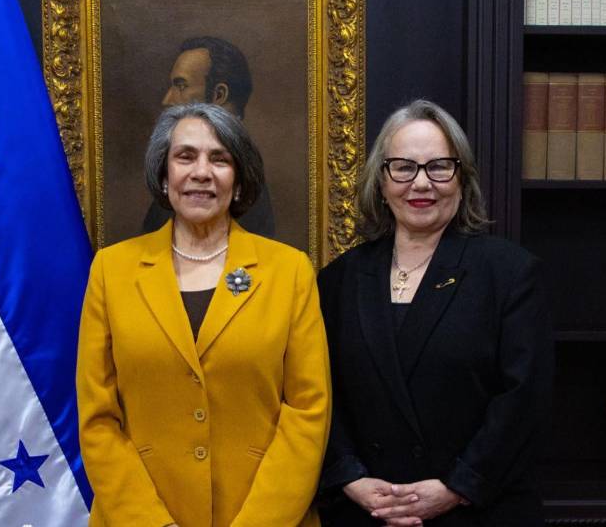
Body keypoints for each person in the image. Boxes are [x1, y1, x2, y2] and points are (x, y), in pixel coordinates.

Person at [78, 102, 331, 526]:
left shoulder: (290, 272)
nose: (201, 172)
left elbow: (308, 413)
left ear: (239, 177)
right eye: (185, 156)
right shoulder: (111, 270)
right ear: (164, 175)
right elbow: (97, 418)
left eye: (220, 158)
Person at [317, 99, 552, 527]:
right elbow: (312, 392)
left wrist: (456, 487)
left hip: (477, 511)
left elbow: (524, 401)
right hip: (366, 511)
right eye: (403, 167)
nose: (421, 184)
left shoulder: (510, 273)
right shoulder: (338, 279)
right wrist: (348, 476)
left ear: (462, 180)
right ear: (381, 182)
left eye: (440, 167)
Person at [143, 36, 275, 237]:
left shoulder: (249, 200)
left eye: (181, 86)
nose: (167, 100)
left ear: (219, 95)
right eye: (186, 157)